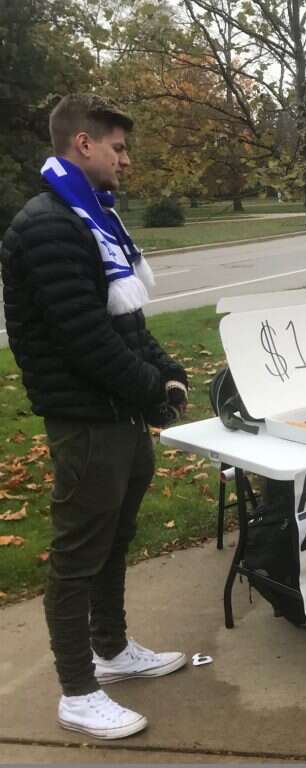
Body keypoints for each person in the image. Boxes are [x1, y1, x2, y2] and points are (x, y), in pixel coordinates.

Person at [1, 94, 189, 740]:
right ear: (83, 144)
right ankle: (78, 692)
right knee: (78, 556)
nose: (126, 161)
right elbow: (85, 339)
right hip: (86, 421)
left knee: (114, 540)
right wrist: (152, 390)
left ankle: (112, 650)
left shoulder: (91, 218)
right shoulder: (49, 225)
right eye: (118, 148)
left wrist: (167, 368)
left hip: (117, 416)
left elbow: (126, 322)